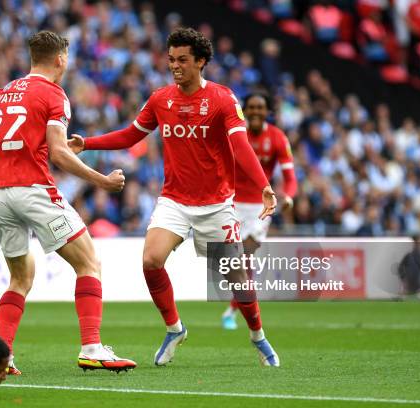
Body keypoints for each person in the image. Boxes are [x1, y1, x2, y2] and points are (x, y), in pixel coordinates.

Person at [69, 28, 278, 366]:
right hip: (175, 201)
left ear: (201, 62)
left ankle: (258, 336)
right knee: (151, 260)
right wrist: (87, 143)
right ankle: (175, 328)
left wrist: (265, 185)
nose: (175, 66)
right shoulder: (160, 99)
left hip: (217, 206)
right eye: (171, 60)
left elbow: (241, 147)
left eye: (182, 60)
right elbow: (130, 135)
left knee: (237, 278)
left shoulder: (223, 100)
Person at [0, 30, 136, 374]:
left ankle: (1, 355)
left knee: (20, 279)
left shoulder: (1, 94)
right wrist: (103, 180)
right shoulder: (53, 93)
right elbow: (58, 153)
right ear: (60, 59)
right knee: (89, 262)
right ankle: (93, 347)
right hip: (33, 189)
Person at [221, 92, 297, 342]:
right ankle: (236, 310)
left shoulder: (277, 137)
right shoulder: (234, 134)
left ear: (267, 112)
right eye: (250, 107)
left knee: (245, 256)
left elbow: (290, 177)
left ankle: (233, 311)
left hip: (259, 208)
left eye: (259, 107)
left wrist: (289, 197)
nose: (254, 111)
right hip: (231, 203)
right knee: (235, 263)